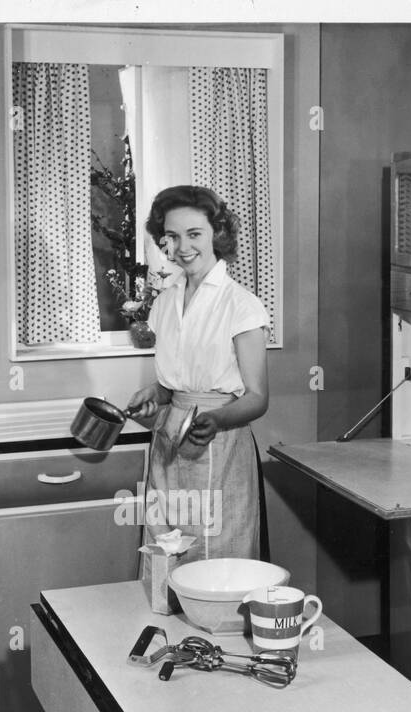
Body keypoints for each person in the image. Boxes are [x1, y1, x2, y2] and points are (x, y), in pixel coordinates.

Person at [125, 185, 270, 578]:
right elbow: (172, 387)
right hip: (169, 441)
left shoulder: (241, 305)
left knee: (216, 557)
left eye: (194, 234)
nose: (182, 246)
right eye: (171, 236)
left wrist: (218, 420)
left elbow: (257, 398)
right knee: (165, 549)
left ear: (216, 235)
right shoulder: (165, 301)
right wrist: (152, 395)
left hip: (219, 442)